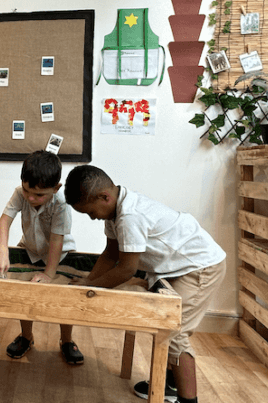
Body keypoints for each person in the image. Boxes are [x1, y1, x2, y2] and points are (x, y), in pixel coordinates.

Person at [64, 165, 226, 403]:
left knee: (174, 331)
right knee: (164, 324)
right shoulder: (114, 211)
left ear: (104, 197)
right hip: (174, 268)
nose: (92, 217)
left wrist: (93, 289)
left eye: (90, 212)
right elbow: (111, 254)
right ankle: (170, 384)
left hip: (200, 267)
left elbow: (127, 269)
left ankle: (188, 400)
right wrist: (89, 281)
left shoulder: (130, 217)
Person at [0, 150, 83, 365]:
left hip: (60, 254)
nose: (30, 198)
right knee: (25, 295)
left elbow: (57, 240)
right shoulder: (19, 193)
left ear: (56, 188)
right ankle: (26, 336)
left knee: (63, 299)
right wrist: (2, 250)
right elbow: (4, 221)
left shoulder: (61, 203)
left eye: (39, 195)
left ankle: (66, 340)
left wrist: (49, 274)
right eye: (27, 190)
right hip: (30, 249)